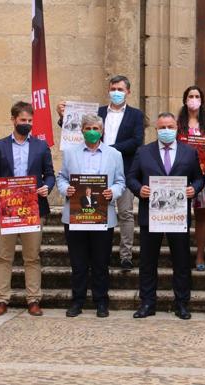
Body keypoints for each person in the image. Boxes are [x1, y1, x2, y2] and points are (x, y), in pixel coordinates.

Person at [57, 75, 144, 272]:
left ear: (128, 92)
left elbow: (137, 141)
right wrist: (63, 117)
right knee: (91, 213)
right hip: (91, 175)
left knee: (125, 213)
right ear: (108, 90)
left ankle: (125, 255)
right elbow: (80, 129)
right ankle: (93, 255)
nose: (116, 92)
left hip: (121, 169)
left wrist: (107, 149)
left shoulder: (136, 115)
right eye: (113, 88)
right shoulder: (98, 112)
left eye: (120, 89)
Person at [128, 112, 204, 320]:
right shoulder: (143, 152)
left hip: (177, 216)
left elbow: (199, 178)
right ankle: (147, 303)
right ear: (156, 129)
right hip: (150, 215)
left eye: (170, 127)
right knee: (148, 261)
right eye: (162, 127)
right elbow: (131, 177)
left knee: (181, 261)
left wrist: (193, 189)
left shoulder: (189, 152)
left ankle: (181, 303)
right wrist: (139, 189)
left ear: (177, 128)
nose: (166, 131)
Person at [0, 101, 55, 317]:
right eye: (23, 120)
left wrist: (48, 187)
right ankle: (1, 299)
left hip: (33, 208)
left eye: (29, 121)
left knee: (32, 256)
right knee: (4, 256)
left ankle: (33, 299)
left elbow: (50, 173)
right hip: (6, 208)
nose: (26, 124)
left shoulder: (41, 146)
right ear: (13, 120)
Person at [57, 114, 126, 318]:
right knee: (78, 262)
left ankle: (101, 301)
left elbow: (121, 181)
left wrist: (112, 192)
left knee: (100, 262)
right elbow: (61, 178)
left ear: (102, 130)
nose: (92, 131)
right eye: (88, 128)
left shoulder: (114, 154)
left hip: (102, 216)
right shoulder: (70, 153)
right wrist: (66, 189)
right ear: (82, 130)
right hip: (76, 216)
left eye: (96, 128)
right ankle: (77, 301)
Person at [176, 86, 205, 271]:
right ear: (185, 100)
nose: (193, 99)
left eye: (197, 96)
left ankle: (200, 255)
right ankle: (181, 254)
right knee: (181, 214)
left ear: (202, 100)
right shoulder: (177, 124)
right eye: (190, 96)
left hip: (202, 176)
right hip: (182, 176)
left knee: (201, 216)